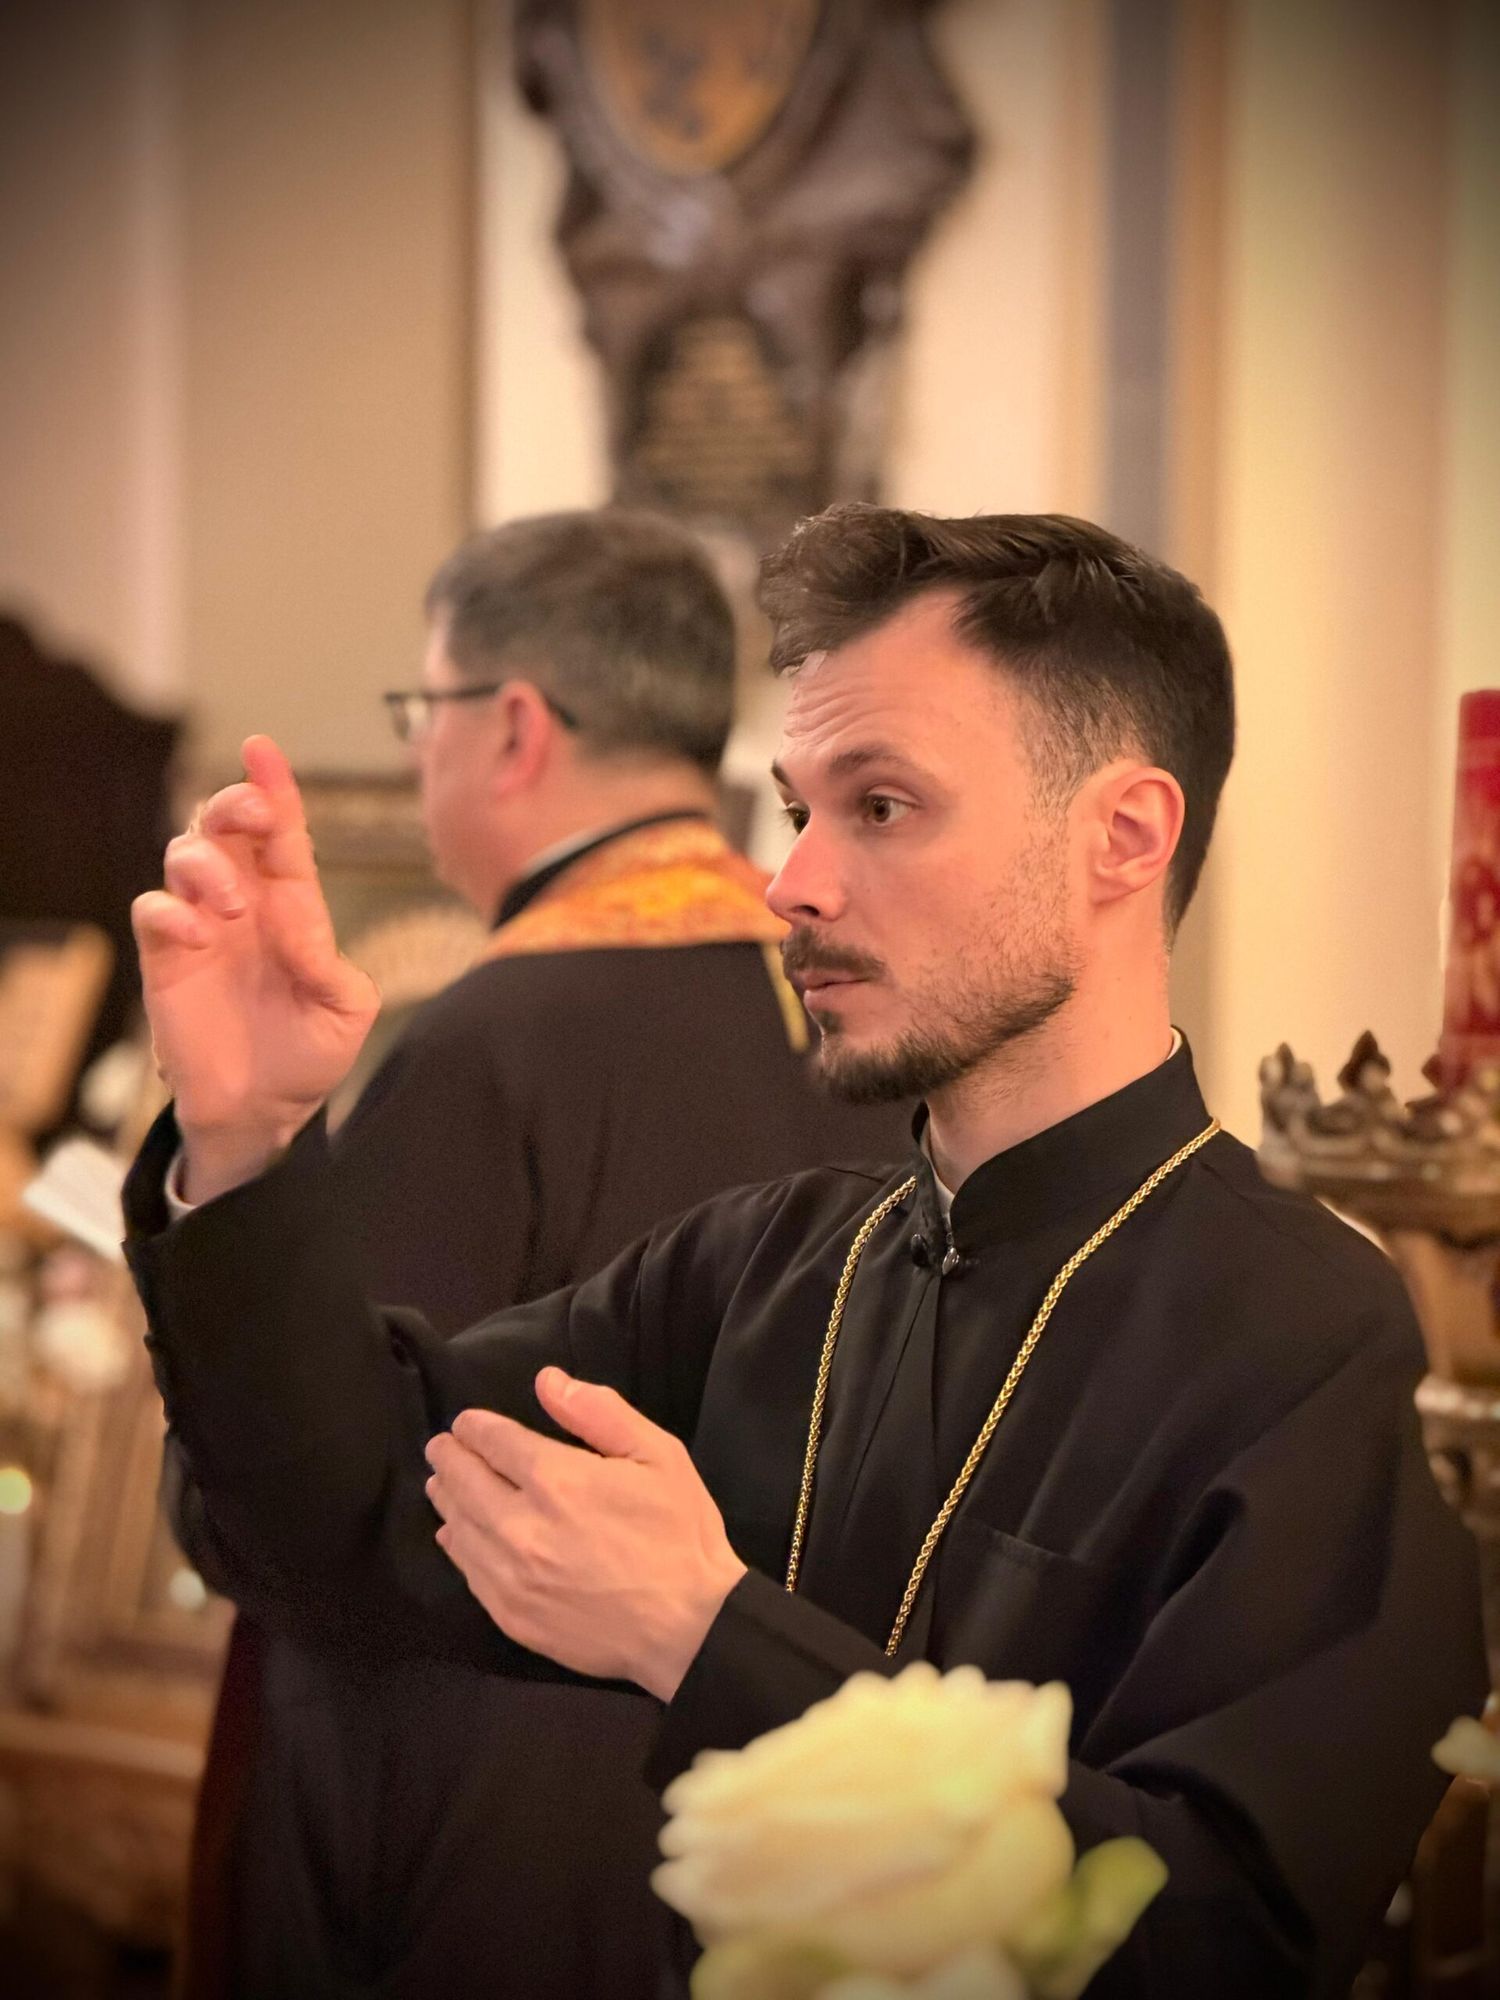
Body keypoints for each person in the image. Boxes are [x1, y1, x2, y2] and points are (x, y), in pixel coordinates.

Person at [128, 507, 1486, 1999]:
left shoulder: (1316, 1337)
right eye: (799, 810)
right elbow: (336, 1515)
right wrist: (245, 1143)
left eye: (882, 806)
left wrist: (706, 1637)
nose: (794, 883)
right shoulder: (763, 1267)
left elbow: (1219, 1942)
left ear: (1123, 837)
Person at [169, 508, 910, 2000]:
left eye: (424, 711)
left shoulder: (483, 1040)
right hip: (797, 1808)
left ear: (511, 728)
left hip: (487, 1838)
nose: (421, 757)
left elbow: (307, 1501)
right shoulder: (863, 1016)